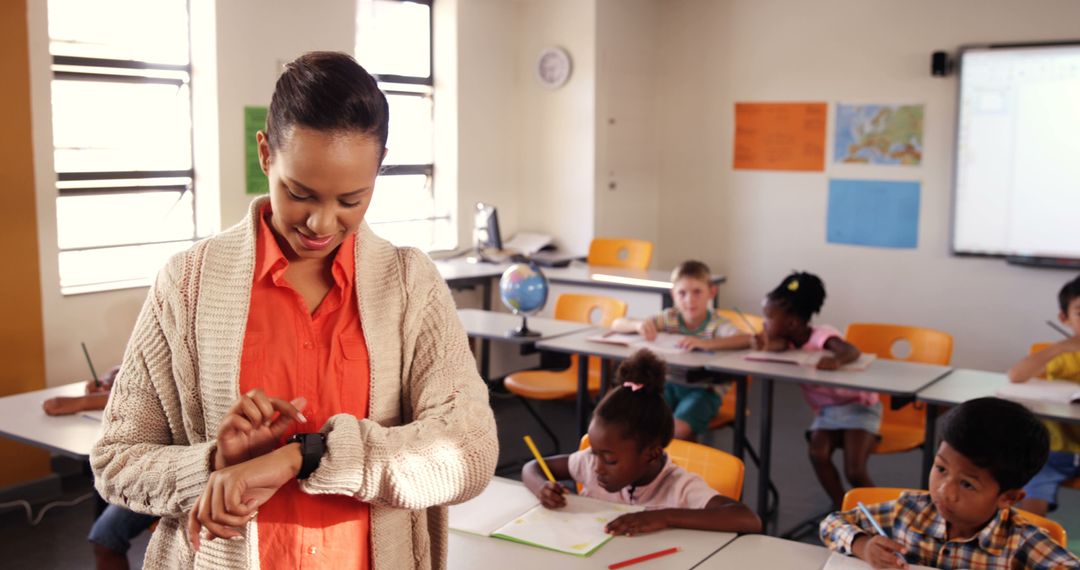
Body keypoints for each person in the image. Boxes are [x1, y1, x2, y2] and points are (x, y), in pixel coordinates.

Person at [89, 51, 498, 569]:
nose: (322, 223)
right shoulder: (188, 284)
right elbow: (117, 460)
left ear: (379, 167)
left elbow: (471, 449)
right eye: (299, 193)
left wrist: (299, 458)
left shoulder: (410, 284)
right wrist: (216, 462)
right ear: (265, 154)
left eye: (352, 199)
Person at [820, 397, 1080, 569]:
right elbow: (832, 524)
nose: (944, 491)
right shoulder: (908, 513)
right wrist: (863, 546)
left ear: (1008, 498)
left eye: (967, 484)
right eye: (941, 468)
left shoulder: (1019, 542)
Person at [521, 350, 761, 535]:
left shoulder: (678, 487)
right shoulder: (590, 464)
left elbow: (747, 519)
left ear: (651, 454)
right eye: (594, 453)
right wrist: (541, 487)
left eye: (610, 459)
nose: (597, 467)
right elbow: (532, 467)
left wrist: (663, 517)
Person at [755, 271, 871, 508]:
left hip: (858, 407)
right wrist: (767, 343)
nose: (764, 323)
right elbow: (777, 347)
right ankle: (844, 509)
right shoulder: (789, 341)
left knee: (855, 470)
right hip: (828, 413)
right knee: (818, 453)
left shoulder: (821, 337)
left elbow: (851, 351)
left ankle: (882, 511)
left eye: (769, 317)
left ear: (792, 323)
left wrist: (836, 361)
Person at [611, 261, 750, 440]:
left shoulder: (717, 325)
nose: (689, 300)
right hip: (667, 385)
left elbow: (746, 339)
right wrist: (638, 325)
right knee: (638, 419)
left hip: (704, 391)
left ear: (712, 292)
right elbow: (617, 324)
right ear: (673, 294)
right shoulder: (669, 318)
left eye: (697, 292)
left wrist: (705, 343)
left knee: (677, 430)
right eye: (682, 293)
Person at [43, 366, 157, 570]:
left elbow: (156, 392)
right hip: (141, 468)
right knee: (104, 529)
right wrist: (111, 377)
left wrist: (86, 401)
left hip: (168, 474)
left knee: (105, 537)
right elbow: (134, 365)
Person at [1008, 274, 1080, 517]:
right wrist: (1059, 347)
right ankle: (1030, 545)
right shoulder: (1060, 354)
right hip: (1057, 451)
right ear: (1064, 318)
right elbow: (1016, 376)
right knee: (1031, 503)